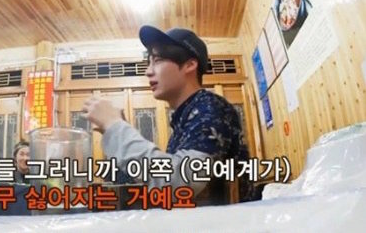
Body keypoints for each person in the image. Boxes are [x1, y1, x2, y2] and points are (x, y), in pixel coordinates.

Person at [83, 25, 254, 205]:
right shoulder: (187, 117)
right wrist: (116, 132)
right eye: (149, 62)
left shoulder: (211, 107)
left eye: (157, 60)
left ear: (189, 65)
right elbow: (153, 184)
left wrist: (116, 127)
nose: (148, 71)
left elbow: (177, 183)